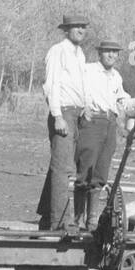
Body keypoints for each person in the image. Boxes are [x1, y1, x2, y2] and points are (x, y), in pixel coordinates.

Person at [76, 40, 135, 229]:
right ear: (100, 53)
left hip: (110, 124)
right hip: (92, 123)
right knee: (85, 169)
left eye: (115, 53)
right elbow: (72, 87)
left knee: (100, 172)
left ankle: (91, 219)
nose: (111, 55)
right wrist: (81, 106)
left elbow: (123, 101)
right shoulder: (87, 70)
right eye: (108, 52)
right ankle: (76, 219)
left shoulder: (116, 76)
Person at [36, 14, 90, 230]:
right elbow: (51, 85)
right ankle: (59, 223)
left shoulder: (80, 54)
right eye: (76, 27)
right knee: (62, 168)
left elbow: (80, 85)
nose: (80, 30)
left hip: (76, 114)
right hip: (64, 113)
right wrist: (57, 116)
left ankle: (47, 215)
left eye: (83, 27)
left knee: (61, 164)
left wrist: (85, 106)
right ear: (66, 30)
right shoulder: (58, 50)